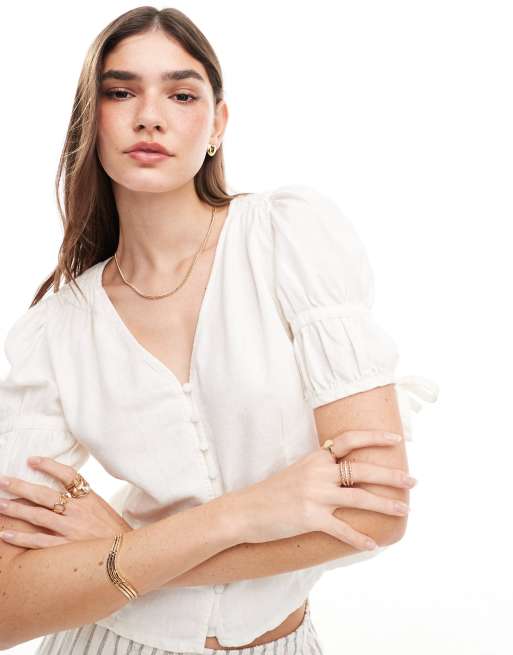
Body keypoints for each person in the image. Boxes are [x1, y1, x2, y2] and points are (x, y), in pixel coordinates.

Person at [0, 6, 438, 654]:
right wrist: (241, 515)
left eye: (181, 94)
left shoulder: (287, 240)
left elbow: (376, 511)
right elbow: (7, 604)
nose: (150, 116)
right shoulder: (56, 329)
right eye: (121, 92)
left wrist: (124, 548)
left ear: (218, 123)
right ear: (91, 122)